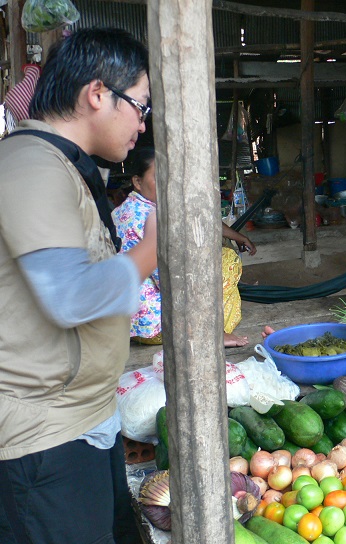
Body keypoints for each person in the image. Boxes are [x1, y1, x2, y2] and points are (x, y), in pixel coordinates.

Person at [0, 29, 159, 543]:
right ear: (97, 95)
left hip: (80, 420)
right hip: (42, 440)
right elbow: (71, 296)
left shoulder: (62, 166)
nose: (143, 123)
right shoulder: (31, 165)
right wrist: (153, 250)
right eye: (140, 106)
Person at [113, 147, 256, 348]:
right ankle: (210, 332)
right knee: (227, 261)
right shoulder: (151, 219)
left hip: (126, 323)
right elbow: (173, 281)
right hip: (156, 326)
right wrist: (213, 331)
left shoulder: (127, 209)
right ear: (137, 182)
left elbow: (198, 218)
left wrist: (236, 235)